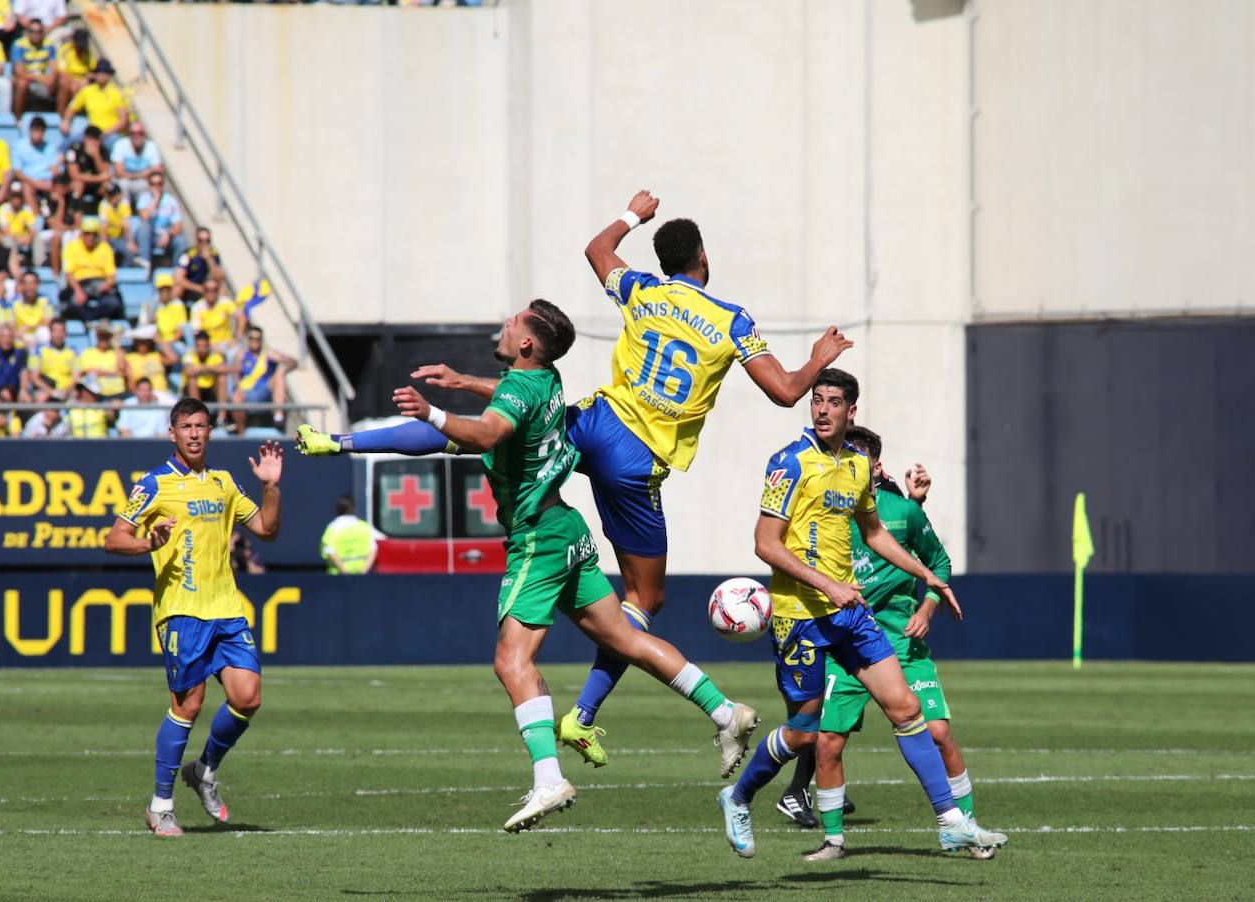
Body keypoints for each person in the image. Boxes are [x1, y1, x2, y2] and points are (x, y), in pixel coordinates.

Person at [295, 191, 851, 767]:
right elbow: (786, 391)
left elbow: (597, 248)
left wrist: (634, 214)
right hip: (636, 462)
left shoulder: (643, 289)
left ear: (665, 261)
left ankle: (347, 442)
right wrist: (816, 357)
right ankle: (585, 716)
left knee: (505, 430)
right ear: (703, 258)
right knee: (645, 598)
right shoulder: (733, 320)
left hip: (595, 423)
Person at [302, 300, 759, 832]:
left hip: (538, 540)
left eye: (513, 321)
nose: (504, 321)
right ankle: (727, 713)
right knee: (626, 638)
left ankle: (548, 779)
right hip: (567, 528)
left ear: (525, 344)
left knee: (510, 661)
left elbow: (482, 433)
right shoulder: (545, 379)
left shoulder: (514, 397)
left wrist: (431, 408)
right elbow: (457, 429)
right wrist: (349, 441)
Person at [714, 368, 1007, 860]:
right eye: (817, 400)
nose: (823, 409)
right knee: (806, 732)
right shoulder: (789, 462)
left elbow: (874, 533)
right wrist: (829, 584)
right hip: (800, 617)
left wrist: (928, 576)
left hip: (850, 615)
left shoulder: (855, 465)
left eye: (833, 402)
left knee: (908, 710)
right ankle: (738, 796)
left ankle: (951, 821)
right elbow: (765, 543)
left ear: (852, 412)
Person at [774, 426, 995, 858]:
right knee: (827, 741)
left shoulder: (901, 514)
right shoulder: (826, 515)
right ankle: (834, 840)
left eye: (855, 458)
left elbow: (939, 561)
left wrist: (927, 608)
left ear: (875, 466)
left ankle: (964, 828)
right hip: (846, 643)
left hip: (901, 643)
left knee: (938, 732)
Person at [104, 400, 283, 837]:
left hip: (226, 609)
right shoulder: (154, 484)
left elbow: (266, 529)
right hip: (182, 611)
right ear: (173, 433)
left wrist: (271, 488)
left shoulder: (223, 483)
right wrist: (150, 543)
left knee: (249, 697)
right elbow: (113, 539)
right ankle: (160, 805)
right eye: (186, 427)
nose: (195, 434)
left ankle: (203, 769)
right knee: (189, 705)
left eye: (202, 426)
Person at [231, 325, 295, 432]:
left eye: (258, 339)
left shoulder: (268, 353)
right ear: (248, 339)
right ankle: (241, 433)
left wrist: (284, 368)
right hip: (246, 392)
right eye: (251, 338)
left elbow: (293, 362)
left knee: (279, 375)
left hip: (263, 390)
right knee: (236, 397)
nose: (254, 341)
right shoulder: (241, 355)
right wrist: (238, 388)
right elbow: (236, 375)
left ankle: (278, 415)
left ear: (261, 340)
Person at [59, 217, 124, 321]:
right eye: (87, 233)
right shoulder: (71, 247)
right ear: (82, 234)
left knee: (113, 303)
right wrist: (78, 291)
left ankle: (94, 321)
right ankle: (90, 321)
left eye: (94, 234)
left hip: (100, 284)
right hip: (80, 284)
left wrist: (106, 285)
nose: (91, 237)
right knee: (72, 305)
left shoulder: (105, 248)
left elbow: (111, 275)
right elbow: (69, 274)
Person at [64, 59, 127, 142]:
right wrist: (66, 121)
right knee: (68, 144)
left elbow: (123, 120)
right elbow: (72, 108)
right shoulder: (87, 91)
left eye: (105, 72)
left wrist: (106, 133)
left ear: (109, 75)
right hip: (92, 133)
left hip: (111, 134)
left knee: (113, 143)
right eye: (99, 72)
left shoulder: (116, 93)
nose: (102, 74)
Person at [320, 495, 384, 575]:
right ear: (354, 508)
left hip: (338, 577)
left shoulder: (332, 529)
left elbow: (330, 551)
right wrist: (363, 573)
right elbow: (373, 549)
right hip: (361, 577)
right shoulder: (365, 527)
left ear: (338, 509)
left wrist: (345, 573)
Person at [134, 171, 184, 266]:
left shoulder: (171, 201)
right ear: (149, 185)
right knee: (145, 226)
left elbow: (178, 227)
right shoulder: (144, 198)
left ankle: (178, 271)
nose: (157, 187)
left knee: (180, 241)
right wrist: (156, 199)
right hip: (147, 236)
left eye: (159, 184)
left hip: (163, 236)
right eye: (153, 184)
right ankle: (145, 262)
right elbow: (145, 217)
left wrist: (168, 234)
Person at [12, 115, 63, 208]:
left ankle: (55, 219)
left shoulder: (49, 147)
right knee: (27, 188)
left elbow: (55, 169)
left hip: (47, 182)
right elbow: (18, 173)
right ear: (30, 130)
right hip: (29, 181)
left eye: (41, 131)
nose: (38, 134)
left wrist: (52, 180)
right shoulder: (19, 146)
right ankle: (37, 219)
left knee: (61, 188)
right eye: (35, 130)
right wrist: (36, 183)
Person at [11, 16, 56, 117]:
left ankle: (60, 118)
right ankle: (18, 118)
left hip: (43, 77)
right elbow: (19, 71)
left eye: (38, 31)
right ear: (27, 32)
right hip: (28, 78)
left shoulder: (49, 45)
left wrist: (51, 78)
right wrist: (39, 78)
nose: (35, 34)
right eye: (32, 31)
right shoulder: (19, 45)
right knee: (22, 83)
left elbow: (54, 67)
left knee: (62, 80)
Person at [64, 124, 110, 216]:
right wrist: (98, 178)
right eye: (93, 139)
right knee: (78, 185)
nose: (96, 143)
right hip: (75, 183)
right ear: (86, 139)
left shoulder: (102, 150)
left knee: (107, 185)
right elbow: (74, 175)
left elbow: (105, 173)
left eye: (98, 140)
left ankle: (107, 217)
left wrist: (96, 156)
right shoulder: (74, 149)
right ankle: (72, 216)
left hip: (94, 185)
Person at [110, 122, 163, 202]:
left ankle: (143, 210)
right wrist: (142, 174)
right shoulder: (120, 145)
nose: (136, 136)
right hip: (124, 180)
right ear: (128, 134)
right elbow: (119, 173)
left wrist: (147, 173)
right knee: (124, 184)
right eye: (133, 133)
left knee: (146, 185)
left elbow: (158, 169)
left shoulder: (151, 146)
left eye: (140, 133)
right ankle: (125, 212)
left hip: (142, 181)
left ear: (144, 134)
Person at [75, 319, 127, 398]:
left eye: (107, 336)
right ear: (96, 335)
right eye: (101, 336)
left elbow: (122, 370)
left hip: (118, 394)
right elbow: (83, 373)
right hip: (94, 395)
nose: (104, 339)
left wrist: (116, 345)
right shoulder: (87, 353)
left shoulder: (117, 353)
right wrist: (111, 373)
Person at [29, 316, 75, 400]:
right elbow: (34, 377)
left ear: (66, 333)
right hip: (47, 390)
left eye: (62, 331)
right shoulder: (38, 351)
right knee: (42, 396)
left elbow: (76, 377)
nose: (59, 334)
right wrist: (52, 392)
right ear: (50, 332)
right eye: (56, 331)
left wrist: (66, 391)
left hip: (67, 391)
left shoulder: (73, 352)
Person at [0, 322, 30, 400]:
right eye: (3, 336)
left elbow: (24, 371)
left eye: (9, 337)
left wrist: (23, 389)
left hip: (14, 389)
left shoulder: (20, 352)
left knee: (26, 398)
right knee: (3, 394)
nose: (6, 340)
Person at [175, 228, 222, 304]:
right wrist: (199, 288)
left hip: (208, 288)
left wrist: (209, 260)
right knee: (178, 289)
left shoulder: (214, 254)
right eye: (201, 240)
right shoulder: (188, 255)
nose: (204, 243)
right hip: (190, 287)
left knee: (222, 292)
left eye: (207, 241)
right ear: (196, 241)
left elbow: (219, 279)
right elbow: (178, 278)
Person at [189, 279, 236, 355]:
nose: (212, 293)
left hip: (227, 342)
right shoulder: (197, 308)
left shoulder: (225, 302)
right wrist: (212, 346)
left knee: (240, 354)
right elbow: (196, 333)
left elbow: (241, 316)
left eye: (215, 290)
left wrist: (238, 337)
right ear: (203, 292)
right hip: (207, 345)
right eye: (208, 290)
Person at [54, 26, 94, 116]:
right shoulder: (65, 50)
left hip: (82, 82)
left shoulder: (87, 53)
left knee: (80, 88)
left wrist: (86, 79)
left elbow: (92, 70)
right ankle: (61, 115)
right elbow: (62, 72)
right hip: (68, 80)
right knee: (66, 84)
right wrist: (75, 82)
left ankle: (78, 115)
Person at [181, 332, 227, 408]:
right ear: (195, 346)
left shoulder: (215, 356)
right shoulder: (189, 356)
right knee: (192, 380)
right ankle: (197, 410)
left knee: (222, 378)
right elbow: (189, 371)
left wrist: (202, 368)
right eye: (199, 346)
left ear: (209, 346)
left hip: (210, 389)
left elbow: (226, 369)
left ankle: (222, 416)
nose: (202, 349)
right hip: (190, 391)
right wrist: (213, 368)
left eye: (204, 346)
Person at [9, 270, 53, 347]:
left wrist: (29, 326)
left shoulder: (45, 301)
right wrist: (23, 339)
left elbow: (48, 322)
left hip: (37, 336)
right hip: (21, 337)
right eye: (27, 283)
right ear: (22, 285)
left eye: (33, 283)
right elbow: (12, 327)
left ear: (38, 285)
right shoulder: (14, 303)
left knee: (44, 332)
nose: (30, 287)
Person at [98, 183, 139, 263]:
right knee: (104, 253)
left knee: (130, 251)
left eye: (114, 195)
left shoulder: (124, 203)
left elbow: (126, 225)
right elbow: (103, 228)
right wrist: (104, 245)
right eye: (110, 196)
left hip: (120, 236)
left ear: (119, 195)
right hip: (108, 236)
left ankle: (126, 272)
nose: (112, 198)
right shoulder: (104, 204)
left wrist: (130, 242)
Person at [0, 183, 37, 261]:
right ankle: (14, 261)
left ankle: (39, 262)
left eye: (18, 197)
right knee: (7, 239)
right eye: (14, 197)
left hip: (24, 237)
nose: (16, 200)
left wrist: (29, 237)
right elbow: (5, 230)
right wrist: (18, 238)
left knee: (38, 237)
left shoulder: (27, 209)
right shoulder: (3, 209)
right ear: (10, 197)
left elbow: (33, 229)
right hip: (11, 237)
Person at [124, 325, 169, 394]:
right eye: (140, 342)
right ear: (135, 342)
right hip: (142, 396)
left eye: (145, 341)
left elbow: (173, 359)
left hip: (161, 394)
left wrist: (159, 341)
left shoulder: (156, 355)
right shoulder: (129, 357)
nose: (143, 344)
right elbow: (130, 380)